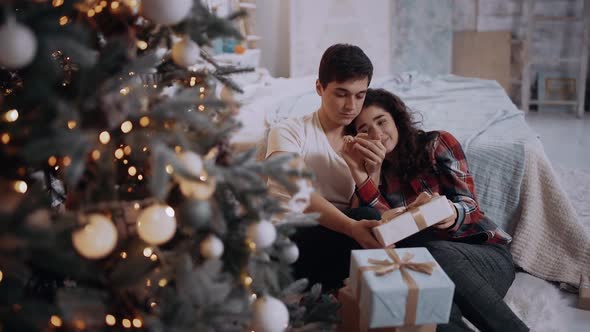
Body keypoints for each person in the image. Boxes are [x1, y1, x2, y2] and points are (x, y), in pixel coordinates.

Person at [341, 88, 528, 332]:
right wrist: (364, 175)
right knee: (425, 303)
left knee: (432, 253)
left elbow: (470, 207)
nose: (376, 134)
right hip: (429, 271)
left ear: (396, 120)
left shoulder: (436, 144)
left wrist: (450, 214)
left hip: (483, 257)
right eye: (365, 130)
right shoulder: (375, 175)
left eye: (381, 121)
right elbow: (384, 231)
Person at [265, 44, 386, 292]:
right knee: (368, 221)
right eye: (341, 94)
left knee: (376, 224)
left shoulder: (360, 142)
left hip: (334, 241)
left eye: (360, 95)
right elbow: (301, 195)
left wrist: (370, 171)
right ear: (319, 88)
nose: (351, 106)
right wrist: (353, 227)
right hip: (284, 241)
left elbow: (358, 208)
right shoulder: (288, 131)